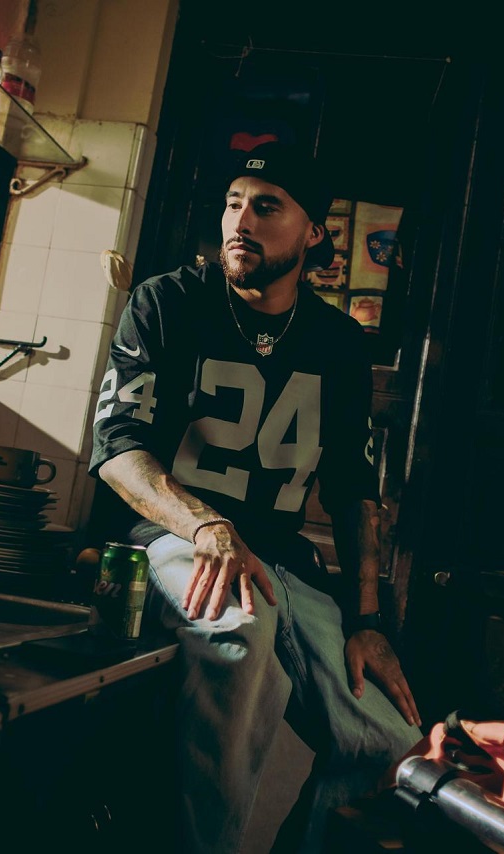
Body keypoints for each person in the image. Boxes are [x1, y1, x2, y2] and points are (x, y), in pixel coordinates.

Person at [89, 141, 422, 853]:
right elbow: (118, 449)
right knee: (241, 634)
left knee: (394, 745)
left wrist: (368, 620)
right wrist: (206, 526)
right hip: (173, 538)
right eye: (233, 203)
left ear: (314, 233)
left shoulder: (339, 342)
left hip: (283, 562)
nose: (240, 221)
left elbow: (354, 490)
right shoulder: (168, 301)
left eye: (266, 207)